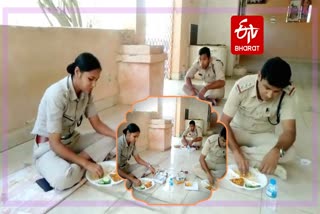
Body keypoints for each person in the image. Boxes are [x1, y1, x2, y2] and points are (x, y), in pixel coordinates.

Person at [32, 52, 116, 191]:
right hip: (49, 147)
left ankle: (74, 162)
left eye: (97, 80)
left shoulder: (86, 93)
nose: (94, 84)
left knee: (111, 139)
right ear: (77, 72)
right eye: (91, 79)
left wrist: (119, 136)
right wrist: (86, 164)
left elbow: (98, 124)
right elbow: (55, 143)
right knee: (62, 180)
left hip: (71, 141)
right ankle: (80, 162)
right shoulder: (57, 94)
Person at [220, 57, 296, 180]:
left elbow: (290, 132)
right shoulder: (242, 86)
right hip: (238, 132)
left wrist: (276, 151)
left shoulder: (287, 94)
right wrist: (237, 151)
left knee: (290, 153)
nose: (270, 95)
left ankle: (241, 157)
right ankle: (255, 161)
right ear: (259, 76)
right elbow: (224, 122)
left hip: (263, 135)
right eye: (267, 88)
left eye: (276, 91)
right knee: (219, 140)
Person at [117, 123, 156, 189]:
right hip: (119, 170)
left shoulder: (132, 142)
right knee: (127, 184)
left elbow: (138, 159)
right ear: (128, 133)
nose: (136, 139)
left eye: (137, 137)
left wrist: (149, 166)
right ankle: (129, 178)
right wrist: (131, 178)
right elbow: (117, 168)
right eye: (134, 136)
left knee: (145, 167)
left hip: (126, 167)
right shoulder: (119, 143)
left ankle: (130, 177)